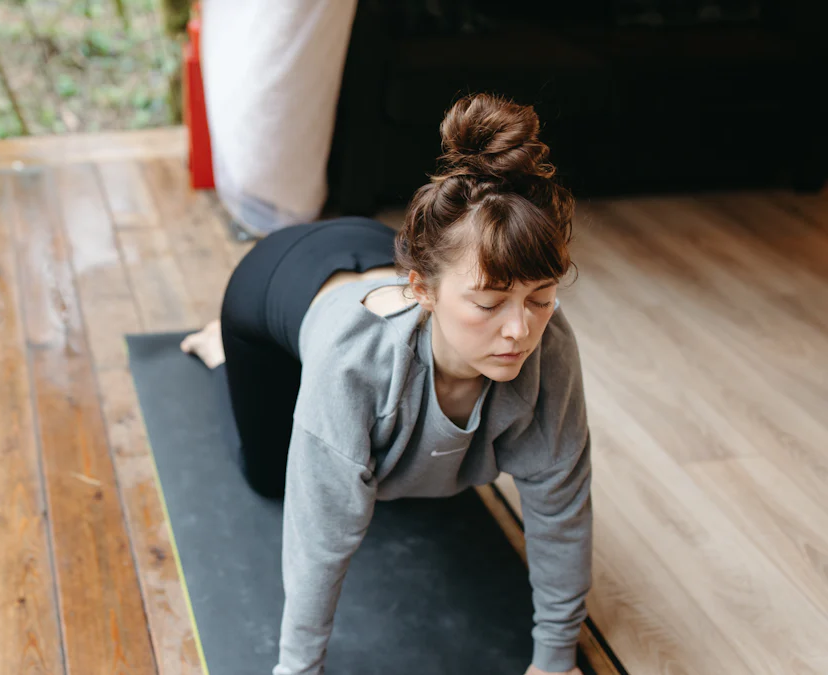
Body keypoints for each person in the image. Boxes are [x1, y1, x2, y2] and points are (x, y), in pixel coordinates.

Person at [180, 93, 592, 675]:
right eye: (490, 303)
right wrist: (297, 669)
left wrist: (555, 661)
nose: (520, 329)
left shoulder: (547, 347)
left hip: (381, 248)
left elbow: (561, 510)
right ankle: (223, 351)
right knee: (268, 475)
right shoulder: (355, 369)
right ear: (421, 289)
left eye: (542, 297)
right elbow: (319, 542)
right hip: (274, 279)